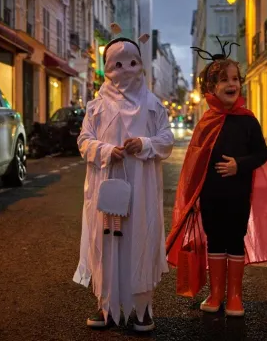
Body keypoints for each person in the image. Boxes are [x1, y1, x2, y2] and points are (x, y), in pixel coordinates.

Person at [166, 38, 267, 317]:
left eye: (235, 79)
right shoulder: (205, 122)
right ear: (211, 88)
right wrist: (192, 198)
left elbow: (261, 154)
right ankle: (216, 293)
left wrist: (239, 165)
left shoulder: (248, 120)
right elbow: (195, 165)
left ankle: (234, 296)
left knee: (234, 240)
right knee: (215, 241)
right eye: (223, 80)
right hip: (210, 197)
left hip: (237, 196)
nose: (231, 84)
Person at [72, 23, 174, 332]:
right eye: (117, 64)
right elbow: (83, 141)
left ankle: (141, 308)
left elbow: (166, 140)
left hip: (141, 189)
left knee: (138, 239)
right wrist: (104, 151)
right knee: (104, 240)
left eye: (132, 63)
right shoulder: (96, 107)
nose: (125, 70)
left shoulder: (153, 105)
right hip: (106, 189)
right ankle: (106, 306)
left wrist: (144, 144)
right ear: (107, 68)